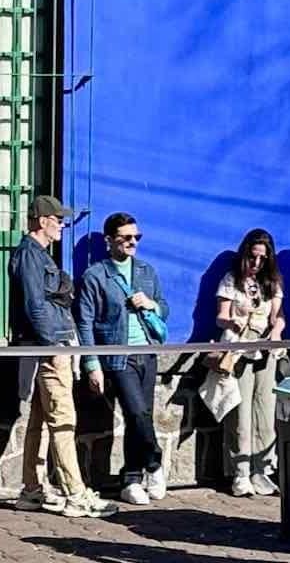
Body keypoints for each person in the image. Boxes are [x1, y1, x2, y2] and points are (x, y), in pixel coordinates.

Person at [10, 196, 117, 517]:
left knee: (41, 420)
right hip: (49, 348)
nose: (62, 226)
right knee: (63, 420)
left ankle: (31, 489)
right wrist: (55, 345)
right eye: (58, 220)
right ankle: (76, 494)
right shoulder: (30, 256)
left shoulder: (37, 255)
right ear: (43, 221)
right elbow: (35, 306)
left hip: (48, 345)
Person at [76, 212, 170, 505]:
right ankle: (154, 463)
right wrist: (91, 364)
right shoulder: (96, 275)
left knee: (138, 416)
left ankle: (132, 478)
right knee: (137, 412)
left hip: (147, 351)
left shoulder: (146, 271)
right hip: (118, 355)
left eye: (136, 238)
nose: (132, 243)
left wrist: (151, 304)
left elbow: (164, 307)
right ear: (109, 241)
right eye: (125, 238)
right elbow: (85, 322)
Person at [217, 228, 286, 497]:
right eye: (253, 257)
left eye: (262, 258)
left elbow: (279, 316)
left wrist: (277, 330)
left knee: (265, 410)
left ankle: (262, 470)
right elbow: (220, 316)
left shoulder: (273, 283)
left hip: (266, 350)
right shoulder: (230, 280)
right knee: (241, 413)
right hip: (239, 350)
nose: (257, 263)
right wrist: (232, 320)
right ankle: (241, 471)